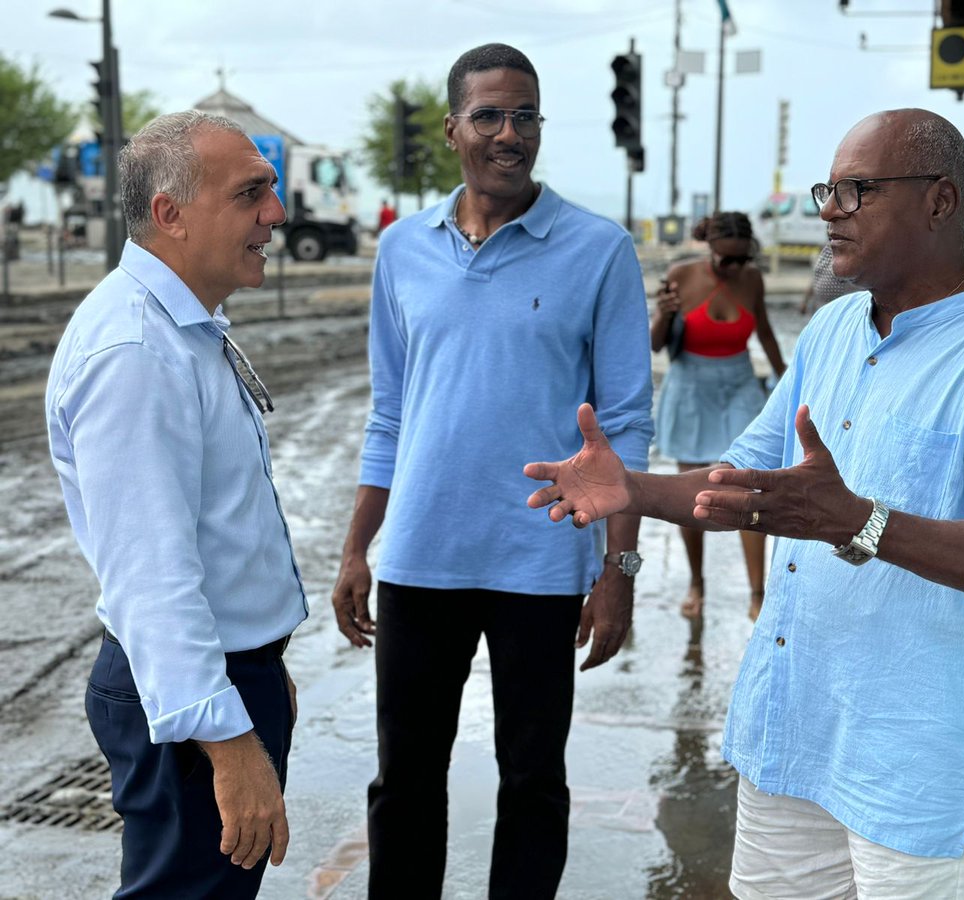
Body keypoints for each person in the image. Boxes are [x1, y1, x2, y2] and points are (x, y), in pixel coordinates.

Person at [525, 108, 964, 899]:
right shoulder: (832, 333)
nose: (830, 208)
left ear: (940, 202)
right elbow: (742, 484)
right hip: (797, 738)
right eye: (830, 189)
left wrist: (859, 520)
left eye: (859, 190)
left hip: (922, 772)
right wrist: (634, 489)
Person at [330, 43, 653, 899]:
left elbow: (625, 428)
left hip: (540, 563)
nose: (509, 135)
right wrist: (358, 549)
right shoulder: (402, 251)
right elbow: (391, 412)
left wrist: (618, 571)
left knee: (534, 783)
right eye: (488, 116)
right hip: (420, 560)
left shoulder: (600, 250)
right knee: (403, 783)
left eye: (525, 116)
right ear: (452, 130)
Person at [44, 111, 305, 898]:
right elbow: (149, 574)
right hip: (194, 698)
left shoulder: (181, 326)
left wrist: (264, 661)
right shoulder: (137, 352)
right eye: (251, 193)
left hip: (223, 676)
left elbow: (215, 525)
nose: (277, 214)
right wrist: (226, 737)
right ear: (170, 214)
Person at [650, 212, 786, 621]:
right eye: (726, 259)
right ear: (709, 248)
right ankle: (697, 582)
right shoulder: (681, 275)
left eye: (741, 259)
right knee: (691, 493)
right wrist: (665, 314)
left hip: (739, 384)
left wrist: (789, 381)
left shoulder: (752, 280)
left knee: (751, 490)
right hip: (691, 386)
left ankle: (757, 593)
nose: (734, 268)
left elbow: (764, 333)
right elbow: (656, 344)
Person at [801, 240, 853, 315]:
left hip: (840, 308)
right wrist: (805, 301)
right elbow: (815, 279)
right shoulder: (825, 252)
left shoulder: (849, 253)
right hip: (819, 306)